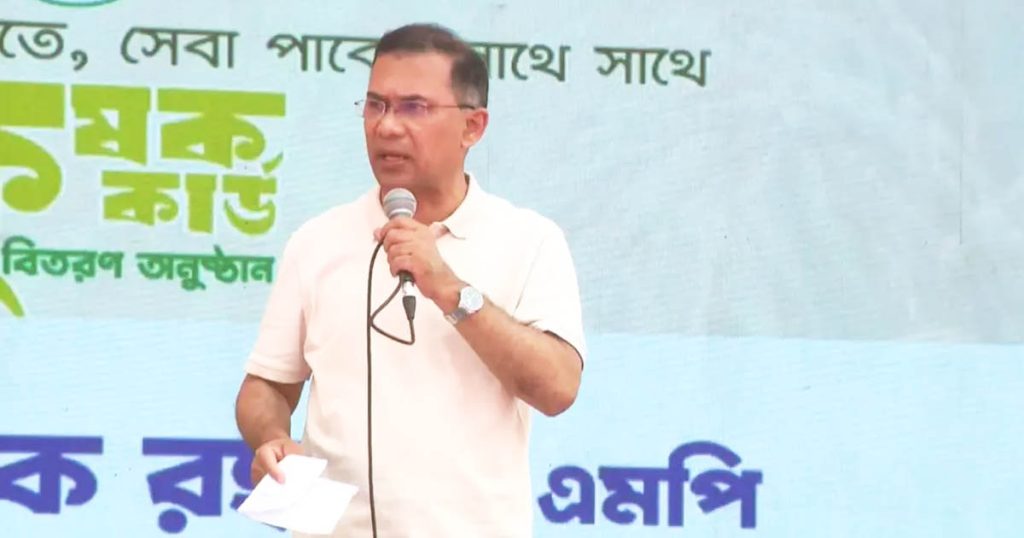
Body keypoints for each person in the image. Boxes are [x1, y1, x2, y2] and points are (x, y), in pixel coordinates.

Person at [234, 22, 586, 537]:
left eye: (414, 108)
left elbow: (557, 388)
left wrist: (450, 288)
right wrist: (271, 437)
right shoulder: (317, 241)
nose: (387, 127)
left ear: (473, 127)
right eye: (375, 105)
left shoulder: (529, 240)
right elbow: (267, 383)